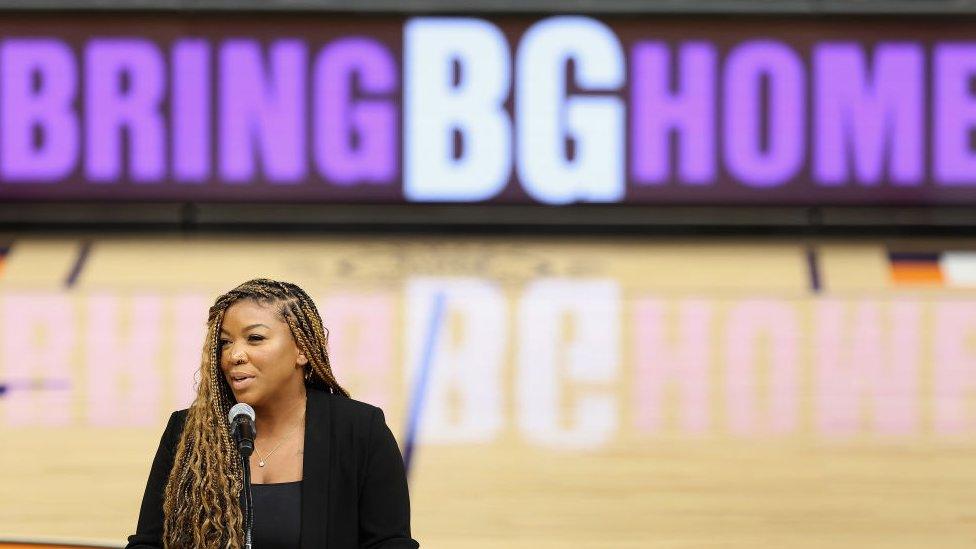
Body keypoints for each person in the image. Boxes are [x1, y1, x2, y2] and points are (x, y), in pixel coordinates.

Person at [125, 278, 419, 548]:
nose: (233, 355)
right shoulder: (187, 430)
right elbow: (148, 543)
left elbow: (390, 543)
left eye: (255, 339)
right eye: (225, 343)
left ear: (302, 349)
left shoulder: (359, 429)